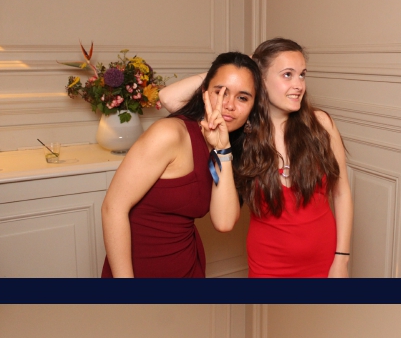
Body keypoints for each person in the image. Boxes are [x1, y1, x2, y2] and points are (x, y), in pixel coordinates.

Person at [159, 38, 352, 278]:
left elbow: (342, 193)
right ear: (262, 79)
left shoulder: (320, 124)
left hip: (325, 262)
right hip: (267, 266)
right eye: (287, 75)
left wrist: (342, 259)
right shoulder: (241, 134)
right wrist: (248, 65)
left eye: (302, 75)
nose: (298, 85)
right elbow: (168, 98)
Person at [100, 52, 262, 278]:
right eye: (220, 92)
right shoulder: (169, 134)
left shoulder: (231, 147)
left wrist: (222, 149)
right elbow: (113, 208)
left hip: (186, 266)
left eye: (243, 98)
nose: (229, 105)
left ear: (253, 107)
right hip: (137, 269)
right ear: (204, 92)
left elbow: (224, 222)